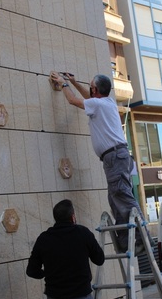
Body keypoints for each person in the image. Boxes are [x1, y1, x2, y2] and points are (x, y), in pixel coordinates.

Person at [50, 71, 152, 253]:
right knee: (115, 199)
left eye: (91, 86)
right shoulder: (106, 102)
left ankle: (142, 237)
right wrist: (74, 81)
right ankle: (127, 240)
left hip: (115, 157)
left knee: (121, 196)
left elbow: (74, 100)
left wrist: (64, 83)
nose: (90, 89)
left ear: (95, 89)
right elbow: (89, 98)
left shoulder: (99, 104)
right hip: (116, 157)